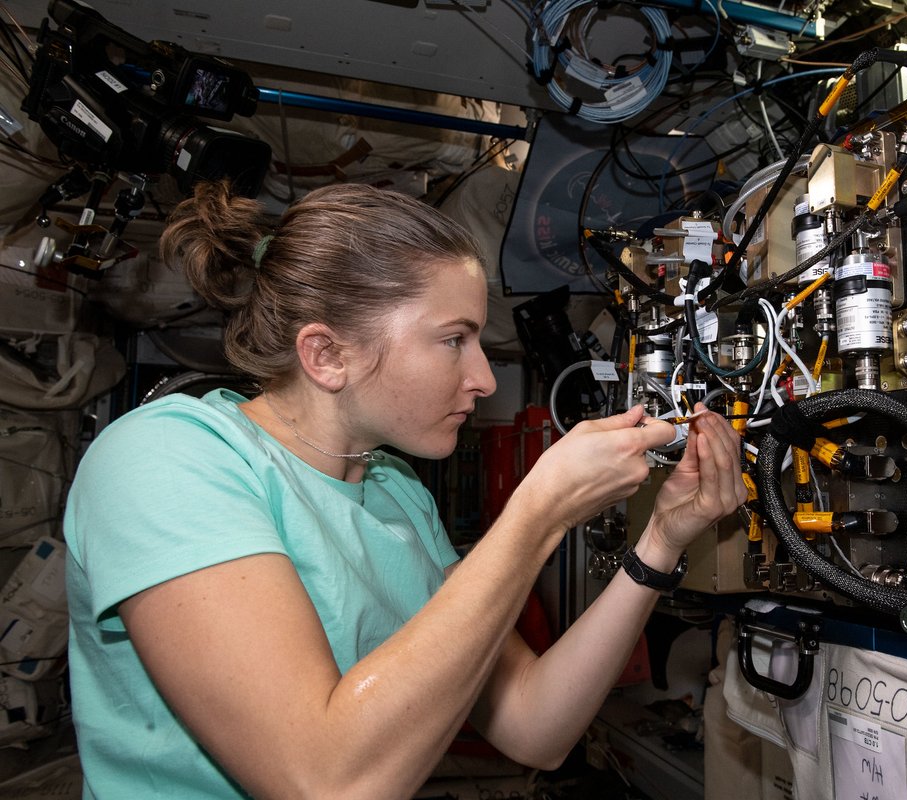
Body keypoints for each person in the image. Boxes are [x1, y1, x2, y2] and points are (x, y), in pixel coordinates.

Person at [65, 180, 747, 799]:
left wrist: (660, 541)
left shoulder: (395, 493)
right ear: (327, 355)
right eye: (455, 340)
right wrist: (535, 515)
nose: (482, 378)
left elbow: (536, 726)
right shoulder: (167, 459)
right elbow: (324, 784)